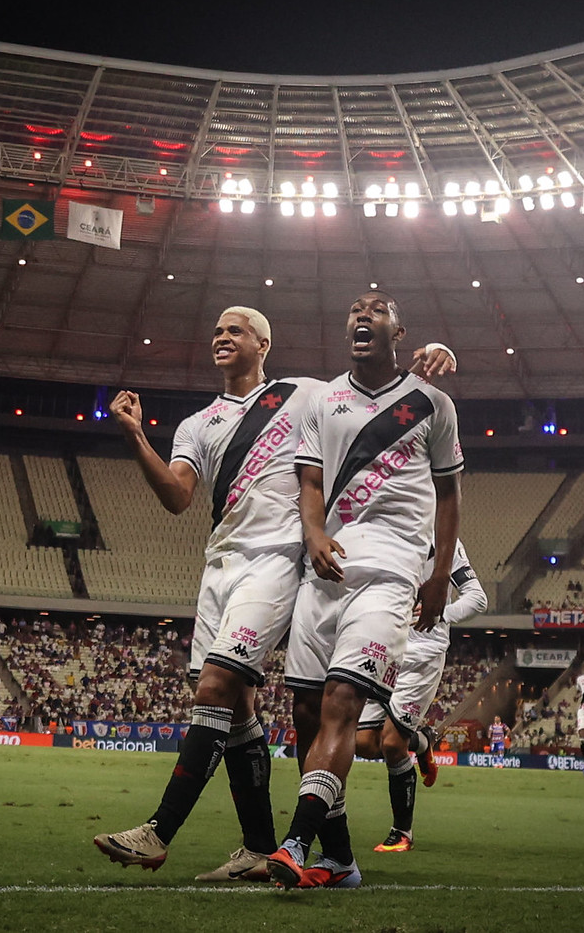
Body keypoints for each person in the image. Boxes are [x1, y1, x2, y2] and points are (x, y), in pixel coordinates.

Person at [93, 305, 454, 882]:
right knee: (238, 710)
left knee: (218, 685)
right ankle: (263, 848)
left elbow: (378, 392)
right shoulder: (196, 424)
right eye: (215, 330)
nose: (221, 337)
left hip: (280, 558)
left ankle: (159, 831)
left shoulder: (303, 393)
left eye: (234, 330)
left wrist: (439, 352)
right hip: (220, 563)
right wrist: (137, 438)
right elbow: (177, 497)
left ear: (264, 343)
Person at [269, 290, 463, 890]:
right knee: (305, 712)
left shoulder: (431, 403)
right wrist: (315, 532)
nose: (361, 314)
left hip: (391, 571)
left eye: (377, 309)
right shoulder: (323, 400)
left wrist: (438, 577)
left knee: (341, 708)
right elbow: (309, 480)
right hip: (324, 570)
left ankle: (295, 843)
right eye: (354, 307)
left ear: (399, 330)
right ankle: (342, 859)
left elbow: (451, 495)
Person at [356, 537, 487, 854]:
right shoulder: (382, 526)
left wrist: (442, 612)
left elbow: (477, 599)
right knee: (363, 743)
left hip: (421, 656)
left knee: (391, 742)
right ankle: (423, 741)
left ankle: (402, 832)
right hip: (381, 649)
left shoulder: (442, 540)